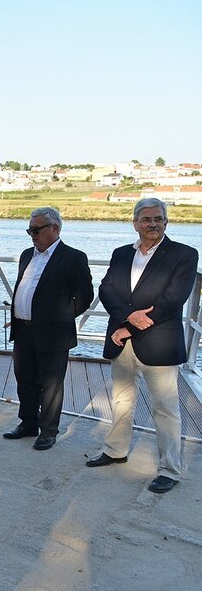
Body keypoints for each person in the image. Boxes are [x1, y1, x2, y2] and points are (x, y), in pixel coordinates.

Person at [87, 198, 199, 494]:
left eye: (158, 219)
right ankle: (116, 450)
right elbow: (106, 288)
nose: (153, 224)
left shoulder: (185, 254)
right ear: (135, 223)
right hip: (121, 340)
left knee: (165, 408)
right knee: (121, 400)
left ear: (166, 222)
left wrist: (128, 325)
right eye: (147, 219)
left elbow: (175, 298)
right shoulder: (121, 253)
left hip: (159, 341)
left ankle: (169, 469)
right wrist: (126, 318)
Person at [3, 207, 93, 451]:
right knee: (25, 379)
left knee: (51, 384)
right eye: (29, 229)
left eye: (36, 229)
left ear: (55, 229)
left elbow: (85, 296)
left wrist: (59, 318)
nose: (32, 234)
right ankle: (28, 423)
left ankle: (48, 430)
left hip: (54, 333)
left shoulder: (73, 257)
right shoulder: (26, 255)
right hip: (23, 329)